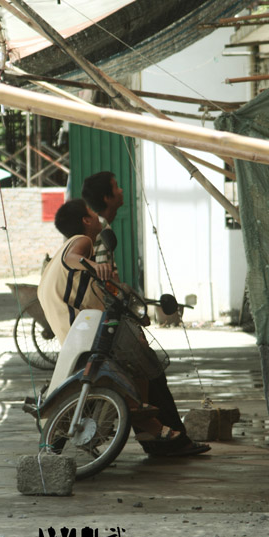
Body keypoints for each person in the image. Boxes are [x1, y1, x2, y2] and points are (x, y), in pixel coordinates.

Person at [82, 171, 210, 456]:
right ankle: (172, 441)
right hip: (108, 324)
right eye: (116, 187)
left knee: (144, 377)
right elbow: (105, 285)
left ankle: (155, 437)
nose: (122, 190)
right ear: (107, 197)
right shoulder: (102, 232)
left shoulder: (100, 230)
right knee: (151, 372)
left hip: (104, 321)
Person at [38, 198, 182, 444]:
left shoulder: (56, 259)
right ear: (86, 220)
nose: (97, 216)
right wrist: (94, 265)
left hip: (73, 336)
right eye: (92, 212)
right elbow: (74, 257)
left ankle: (145, 422)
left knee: (132, 356)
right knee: (139, 359)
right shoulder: (81, 241)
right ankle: (150, 425)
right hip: (85, 332)